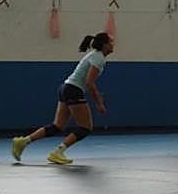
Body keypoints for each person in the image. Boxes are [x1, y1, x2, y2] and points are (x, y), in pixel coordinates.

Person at [11, 32, 112, 166]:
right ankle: (58, 152)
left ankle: (23, 142)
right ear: (104, 45)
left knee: (57, 126)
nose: (113, 45)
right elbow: (89, 82)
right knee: (85, 128)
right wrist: (99, 102)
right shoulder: (98, 58)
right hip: (74, 90)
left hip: (66, 88)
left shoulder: (94, 55)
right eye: (111, 42)